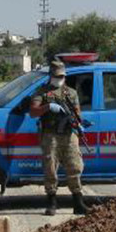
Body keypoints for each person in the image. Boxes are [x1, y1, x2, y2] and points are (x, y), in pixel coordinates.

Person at [29, 60, 88, 216]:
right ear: (51, 76)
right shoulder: (42, 92)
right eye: (57, 76)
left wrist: (78, 123)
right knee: (50, 168)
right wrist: (48, 107)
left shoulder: (71, 93)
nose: (60, 79)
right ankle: (52, 201)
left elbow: (77, 113)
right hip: (50, 135)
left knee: (75, 166)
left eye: (62, 76)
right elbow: (33, 112)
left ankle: (78, 202)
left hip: (69, 135)